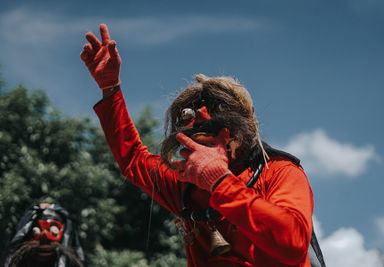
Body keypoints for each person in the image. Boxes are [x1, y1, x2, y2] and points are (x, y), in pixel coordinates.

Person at [81, 24, 316, 267]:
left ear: (241, 131)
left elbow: (293, 244)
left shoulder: (280, 172)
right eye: (190, 119)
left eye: (216, 113)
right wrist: (110, 89)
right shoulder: (184, 181)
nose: (202, 117)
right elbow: (132, 159)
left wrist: (219, 181)